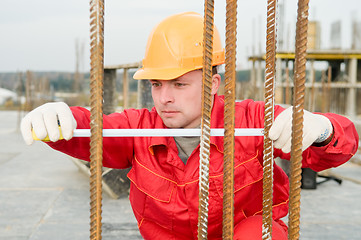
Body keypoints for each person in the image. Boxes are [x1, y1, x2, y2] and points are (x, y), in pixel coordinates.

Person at [20, 12, 358, 240]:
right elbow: (93, 130)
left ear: (212, 84)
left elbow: (337, 144)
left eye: (179, 85)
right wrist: (60, 120)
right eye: (156, 84)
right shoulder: (138, 129)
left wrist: (323, 130)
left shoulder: (251, 120)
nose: (164, 98)